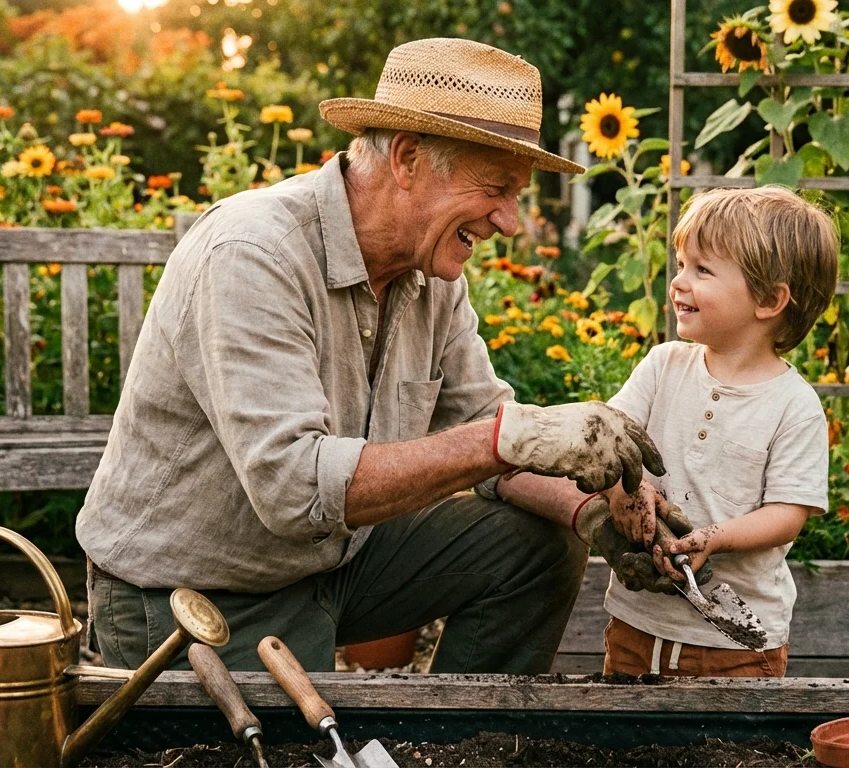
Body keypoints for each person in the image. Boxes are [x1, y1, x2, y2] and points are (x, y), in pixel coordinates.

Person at [74, 37, 669, 674]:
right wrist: (510, 438)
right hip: (194, 598)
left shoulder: (432, 279)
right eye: (497, 187)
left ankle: (465, 739)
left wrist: (600, 510)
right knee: (300, 749)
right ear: (409, 158)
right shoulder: (253, 254)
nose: (510, 222)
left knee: (540, 547)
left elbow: (485, 433)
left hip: (333, 566)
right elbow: (293, 487)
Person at [511, 186, 839, 677]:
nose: (678, 282)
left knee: (726, 750)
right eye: (681, 264)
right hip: (639, 618)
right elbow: (610, 442)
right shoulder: (664, 366)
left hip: (736, 641)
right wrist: (629, 490)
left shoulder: (794, 405)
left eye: (702, 270)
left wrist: (713, 537)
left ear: (769, 300)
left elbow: (787, 515)